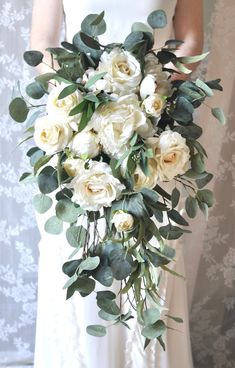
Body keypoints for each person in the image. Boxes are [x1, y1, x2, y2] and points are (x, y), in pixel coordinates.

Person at [31, 1, 203, 367]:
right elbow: (43, 43)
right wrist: (88, 98)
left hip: (153, 137)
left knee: (150, 261)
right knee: (83, 259)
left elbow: (190, 40)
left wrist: (146, 96)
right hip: (78, 132)